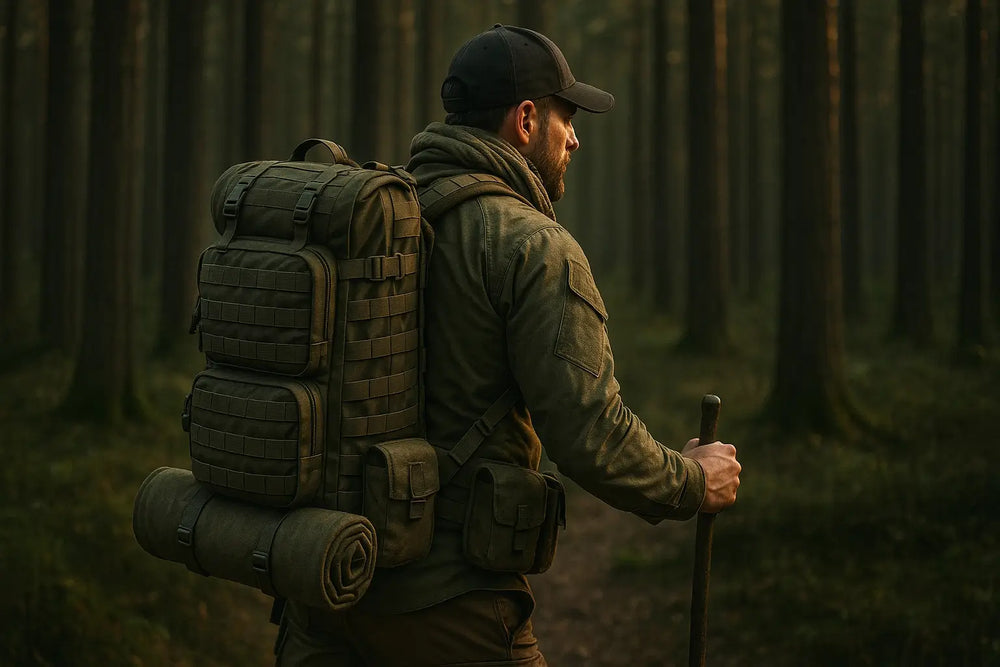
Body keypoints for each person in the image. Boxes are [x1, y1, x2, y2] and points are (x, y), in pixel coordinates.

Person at [275, 24, 741, 666]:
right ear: (525, 119)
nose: (576, 137)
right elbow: (590, 434)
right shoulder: (532, 245)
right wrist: (691, 480)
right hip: (452, 608)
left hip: (324, 585)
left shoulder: (378, 218)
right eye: (566, 117)